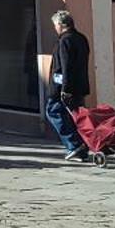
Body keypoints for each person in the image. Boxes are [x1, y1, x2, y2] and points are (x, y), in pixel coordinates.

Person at [47, 9, 91, 162]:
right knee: (76, 117)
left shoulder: (65, 40)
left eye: (55, 25)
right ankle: (81, 148)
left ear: (61, 24)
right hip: (80, 85)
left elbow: (65, 67)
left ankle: (74, 145)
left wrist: (65, 89)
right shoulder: (81, 38)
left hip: (64, 87)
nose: (55, 28)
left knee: (53, 112)